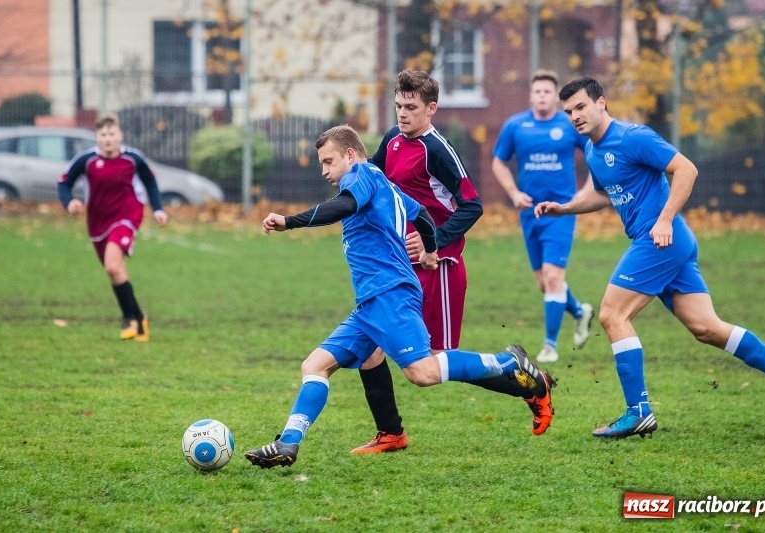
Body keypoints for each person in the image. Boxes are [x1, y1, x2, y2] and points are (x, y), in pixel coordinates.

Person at [244, 125, 554, 468]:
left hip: (390, 294)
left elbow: (345, 205)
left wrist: (289, 222)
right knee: (315, 365)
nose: (324, 171)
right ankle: (288, 443)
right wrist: (430, 250)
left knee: (423, 372)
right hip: (371, 304)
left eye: (328, 161)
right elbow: (421, 215)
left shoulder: (360, 176)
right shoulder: (383, 182)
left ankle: (508, 363)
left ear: (350, 155)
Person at [534, 77, 765, 439]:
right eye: (569, 111)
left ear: (601, 102)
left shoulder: (634, 137)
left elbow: (687, 169)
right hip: (667, 244)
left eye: (580, 107)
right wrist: (565, 208)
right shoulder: (592, 150)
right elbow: (604, 194)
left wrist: (665, 219)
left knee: (612, 314)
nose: (575, 116)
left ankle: (638, 411)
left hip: (660, 240)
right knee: (707, 328)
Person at [352, 69, 549, 455]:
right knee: (368, 348)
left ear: (431, 109)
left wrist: (434, 241)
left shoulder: (437, 150)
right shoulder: (392, 140)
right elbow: (371, 180)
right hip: (400, 267)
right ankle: (391, 433)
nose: (402, 113)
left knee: (434, 362)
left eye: (411, 108)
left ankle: (527, 380)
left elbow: (472, 205)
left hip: (437, 267)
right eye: (398, 106)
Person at [492, 69, 594, 364]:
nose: (542, 96)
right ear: (531, 95)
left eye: (547, 92)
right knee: (544, 283)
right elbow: (498, 162)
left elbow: (595, 155)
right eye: (537, 91)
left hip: (561, 212)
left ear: (555, 96)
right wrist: (513, 192)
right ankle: (580, 311)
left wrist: (584, 194)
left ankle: (549, 345)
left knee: (552, 277)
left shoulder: (569, 124)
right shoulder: (516, 126)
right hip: (529, 213)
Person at [57, 113, 168, 342]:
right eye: (103, 134)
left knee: (112, 266)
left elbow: (150, 181)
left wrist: (158, 208)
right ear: (97, 137)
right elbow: (64, 183)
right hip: (97, 221)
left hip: (127, 216)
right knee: (116, 272)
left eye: (112, 134)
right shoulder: (86, 160)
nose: (108, 138)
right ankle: (140, 318)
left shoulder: (133, 159)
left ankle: (128, 318)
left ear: (120, 136)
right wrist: (69, 202)